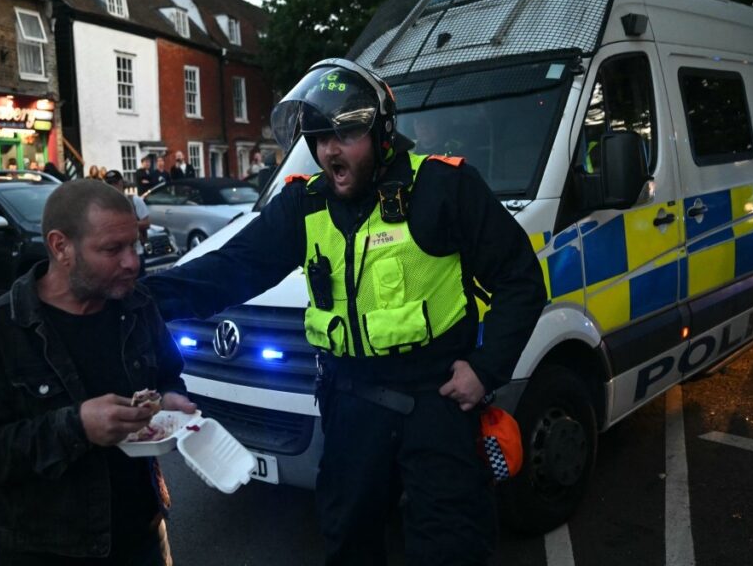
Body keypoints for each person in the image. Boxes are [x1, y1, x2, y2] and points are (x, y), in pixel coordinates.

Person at [143, 58, 546, 565]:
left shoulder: (443, 188)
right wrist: (134, 297)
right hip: (350, 402)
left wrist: (486, 368)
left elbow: (521, 281)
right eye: (318, 137)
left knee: (451, 544)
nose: (330, 150)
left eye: (346, 134)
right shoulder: (304, 205)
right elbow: (229, 269)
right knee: (347, 540)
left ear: (381, 132)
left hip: (437, 400)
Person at [0, 179, 197, 565]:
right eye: (113, 249)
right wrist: (76, 427)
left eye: (135, 244)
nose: (133, 262)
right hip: (49, 552)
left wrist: (170, 398)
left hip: (144, 536)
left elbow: (166, 373)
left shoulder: (137, 305)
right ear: (61, 246)